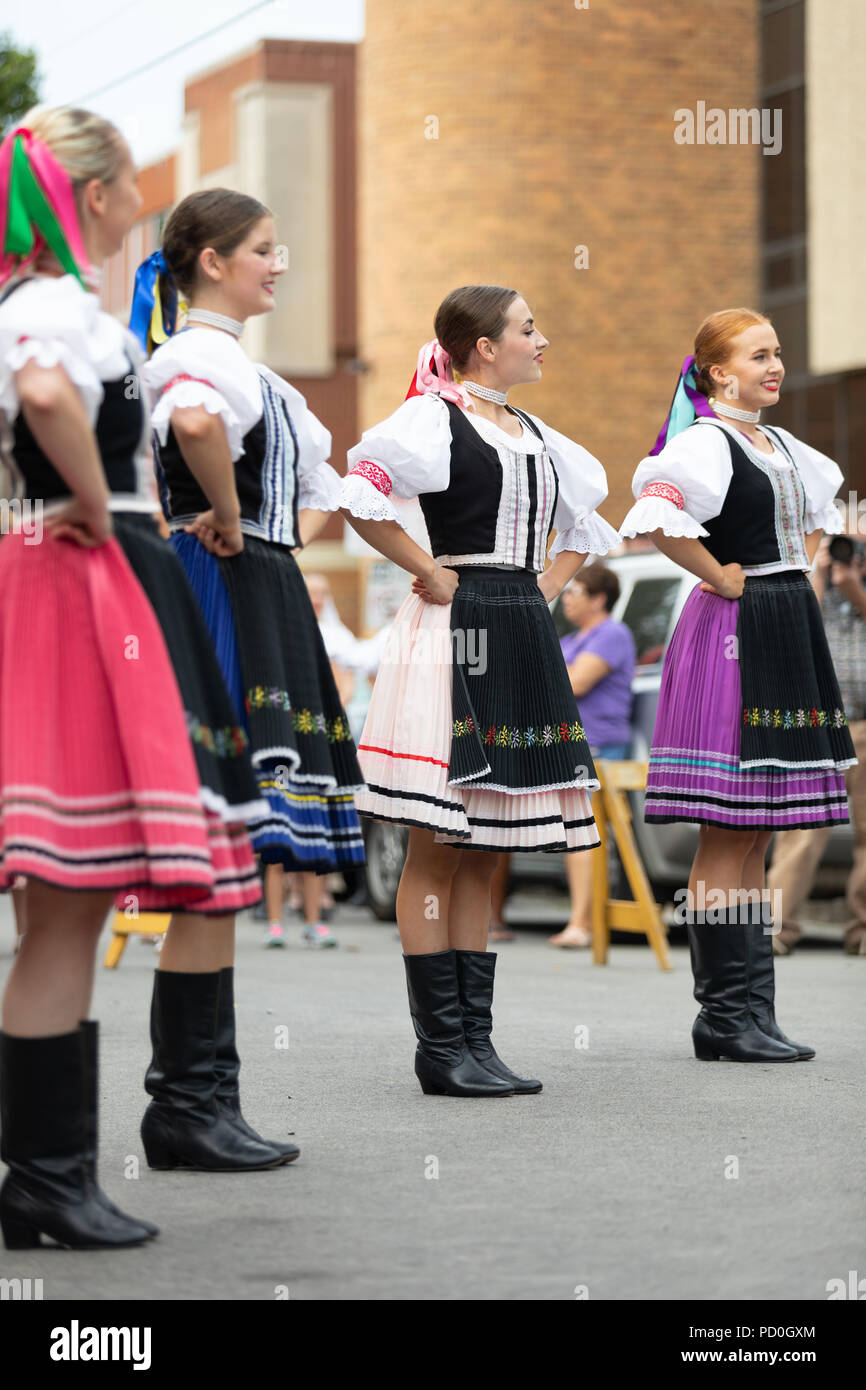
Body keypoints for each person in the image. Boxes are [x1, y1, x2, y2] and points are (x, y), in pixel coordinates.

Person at [0, 108, 279, 1252]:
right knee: (64, 908)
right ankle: (46, 1184)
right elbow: (54, 398)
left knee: (53, 910)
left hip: (39, 577)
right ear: (102, 196)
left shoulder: (21, 301)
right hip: (90, 578)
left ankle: (48, 1177)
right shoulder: (54, 306)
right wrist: (81, 499)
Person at [339, 285, 620, 1097]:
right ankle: (440, 1050)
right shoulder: (434, 420)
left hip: (516, 626)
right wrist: (428, 570)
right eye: (530, 328)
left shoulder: (539, 436)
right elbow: (361, 492)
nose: (545, 339)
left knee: (483, 847)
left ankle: (476, 1042)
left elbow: (583, 529)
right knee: (438, 841)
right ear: (484, 346)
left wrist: (540, 588)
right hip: (454, 632)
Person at [619, 307, 854, 1063]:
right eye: (759, 356)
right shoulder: (705, 443)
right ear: (718, 372)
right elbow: (658, 516)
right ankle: (724, 1016)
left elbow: (820, 514)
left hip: (782, 619)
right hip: (732, 630)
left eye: (778, 353)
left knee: (758, 824)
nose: (774, 366)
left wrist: (803, 568)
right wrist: (720, 573)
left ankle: (751, 1011)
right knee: (729, 820)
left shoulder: (780, 444)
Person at [133, 196, 367, 946]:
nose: (277, 266)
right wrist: (235, 522)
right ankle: (194, 1063)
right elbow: (197, 425)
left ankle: (200, 1061)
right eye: (265, 251)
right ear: (213, 262)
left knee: (232, 838)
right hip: (221, 573)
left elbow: (318, 495)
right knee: (221, 821)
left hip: (262, 578)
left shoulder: (251, 373)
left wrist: (263, 532)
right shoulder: (194, 356)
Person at [767, 534, 866, 956]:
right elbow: (794, 630)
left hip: (864, 723)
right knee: (801, 830)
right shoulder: (812, 588)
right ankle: (773, 930)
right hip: (817, 723)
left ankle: (862, 931)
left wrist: (854, 587)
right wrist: (820, 573)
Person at [549, 562, 636, 948]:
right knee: (574, 833)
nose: (566, 597)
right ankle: (582, 920)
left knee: (583, 834)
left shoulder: (612, 634)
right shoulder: (570, 641)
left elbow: (575, 683)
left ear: (599, 599)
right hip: (570, 744)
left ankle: (582, 924)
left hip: (599, 746)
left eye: (575, 590)